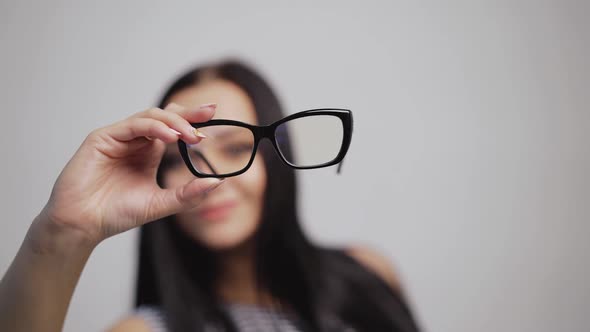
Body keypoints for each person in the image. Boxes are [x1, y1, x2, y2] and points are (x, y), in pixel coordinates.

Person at [0, 60, 420, 332]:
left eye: (237, 148)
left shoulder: (367, 274)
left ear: (278, 161)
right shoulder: (145, 330)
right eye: (181, 156)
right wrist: (64, 232)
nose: (214, 177)